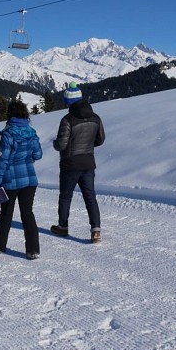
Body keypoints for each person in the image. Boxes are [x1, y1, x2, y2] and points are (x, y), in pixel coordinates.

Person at [0, 100, 43, 259]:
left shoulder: (8, 134)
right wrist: (27, 156)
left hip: (10, 181)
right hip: (30, 180)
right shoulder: (32, 132)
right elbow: (38, 155)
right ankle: (33, 250)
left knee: (6, 213)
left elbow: (3, 160)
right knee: (27, 213)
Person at [51, 82, 106, 243]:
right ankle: (96, 230)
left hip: (70, 164)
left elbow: (61, 144)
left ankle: (63, 227)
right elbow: (100, 139)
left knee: (65, 197)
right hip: (88, 162)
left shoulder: (67, 119)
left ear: (68, 102)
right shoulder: (96, 117)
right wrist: (88, 145)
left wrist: (55, 144)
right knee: (90, 197)